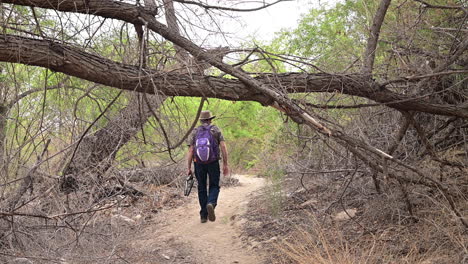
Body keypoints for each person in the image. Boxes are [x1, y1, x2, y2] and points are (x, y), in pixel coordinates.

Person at [187, 110, 229, 223]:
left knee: (201, 187)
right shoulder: (215, 130)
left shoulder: (195, 132)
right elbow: (223, 147)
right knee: (214, 185)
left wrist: (188, 167)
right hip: (213, 162)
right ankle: (211, 203)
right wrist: (225, 164)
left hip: (198, 163)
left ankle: (203, 216)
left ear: (201, 120)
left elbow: (191, 150)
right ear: (210, 119)